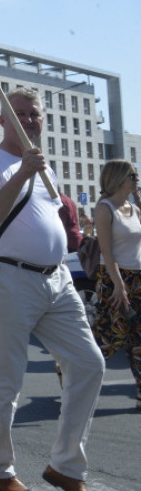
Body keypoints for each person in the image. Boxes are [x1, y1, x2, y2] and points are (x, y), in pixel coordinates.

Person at [0, 88, 106, 491]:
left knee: (89, 364)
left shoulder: (47, 167)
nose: (29, 120)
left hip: (57, 279)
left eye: (35, 114)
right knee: (7, 379)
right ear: (2, 120)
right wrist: (23, 173)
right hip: (9, 278)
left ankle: (66, 466)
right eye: (20, 114)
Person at [93, 159, 141, 412]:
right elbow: (107, 252)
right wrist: (119, 285)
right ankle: (70, 368)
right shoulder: (105, 209)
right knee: (111, 336)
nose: (136, 179)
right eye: (133, 176)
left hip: (138, 278)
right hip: (114, 277)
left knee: (139, 339)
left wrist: (138, 197)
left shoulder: (133, 208)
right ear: (120, 178)